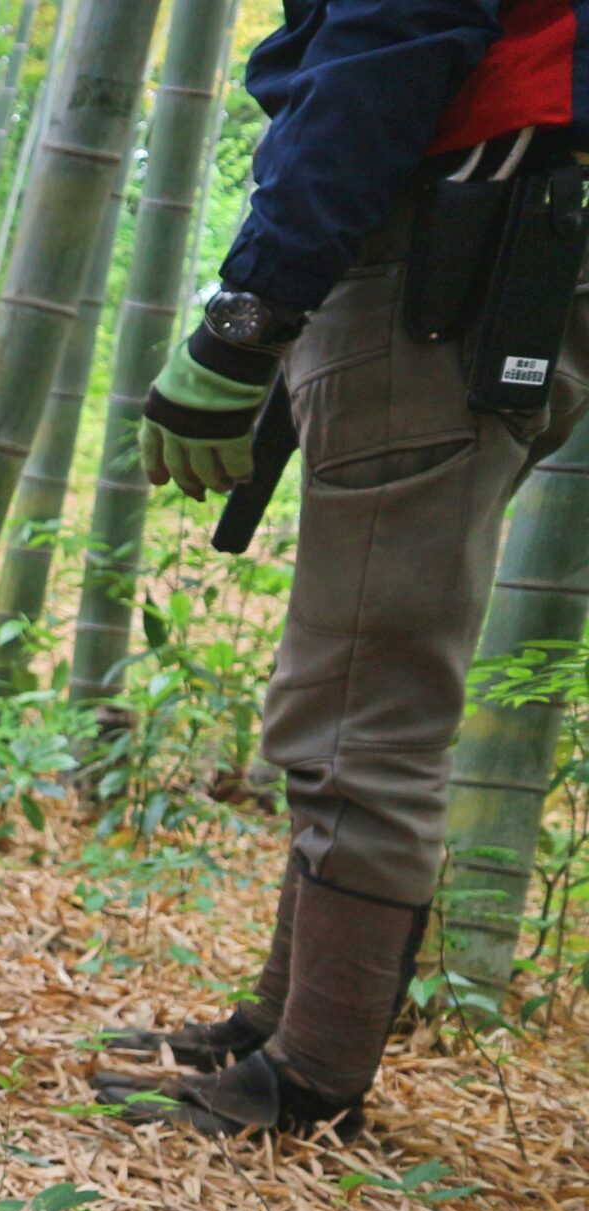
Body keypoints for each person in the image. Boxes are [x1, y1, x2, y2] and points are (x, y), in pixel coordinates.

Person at [105, 2, 589, 1138]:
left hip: (453, 243)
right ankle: (281, 1025)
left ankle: (311, 1078)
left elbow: (390, 41)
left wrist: (250, 313)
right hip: (482, 236)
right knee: (347, 668)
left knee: (363, 695)